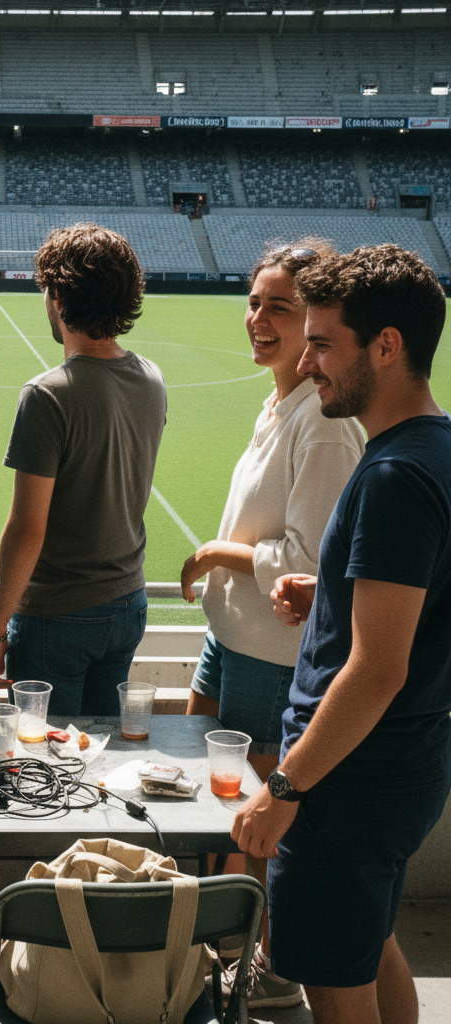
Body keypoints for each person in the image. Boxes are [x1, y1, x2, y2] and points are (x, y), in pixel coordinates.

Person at [232, 244, 451, 1024]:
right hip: (403, 766)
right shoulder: (435, 447)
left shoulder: (394, 475)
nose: (310, 361)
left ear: (386, 347)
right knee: (368, 941)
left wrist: (285, 788)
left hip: (351, 777)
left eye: (325, 343)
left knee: (334, 986)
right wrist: (331, 585)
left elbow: (377, 669)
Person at [179, 242, 364, 1008]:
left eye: (279, 308)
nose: (259, 319)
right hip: (231, 642)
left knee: (253, 822)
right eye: (254, 301)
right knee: (205, 802)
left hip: (273, 655)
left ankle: (271, 969)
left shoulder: (322, 424)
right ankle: (220, 947)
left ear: (317, 321)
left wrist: (222, 552)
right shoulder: (281, 402)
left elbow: (306, 565)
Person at [0, 223, 167, 716]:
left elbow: (26, 527)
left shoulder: (48, 394)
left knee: (50, 772)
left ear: (59, 296)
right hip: (128, 602)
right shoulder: (152, 377)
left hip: (58, 616)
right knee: (101, 759)